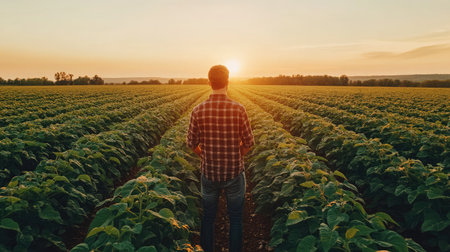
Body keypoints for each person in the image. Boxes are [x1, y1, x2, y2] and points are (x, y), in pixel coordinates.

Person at [186, 65, 254, 252]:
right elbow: (249, 142)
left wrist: (204, 155)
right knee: (236, 219)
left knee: (208, 218)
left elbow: (191, 143)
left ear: (209, 83)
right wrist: (236, 154)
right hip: (233, 173)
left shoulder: (198, 110)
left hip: (209, 174)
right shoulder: (239, 109)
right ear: (228, 82)